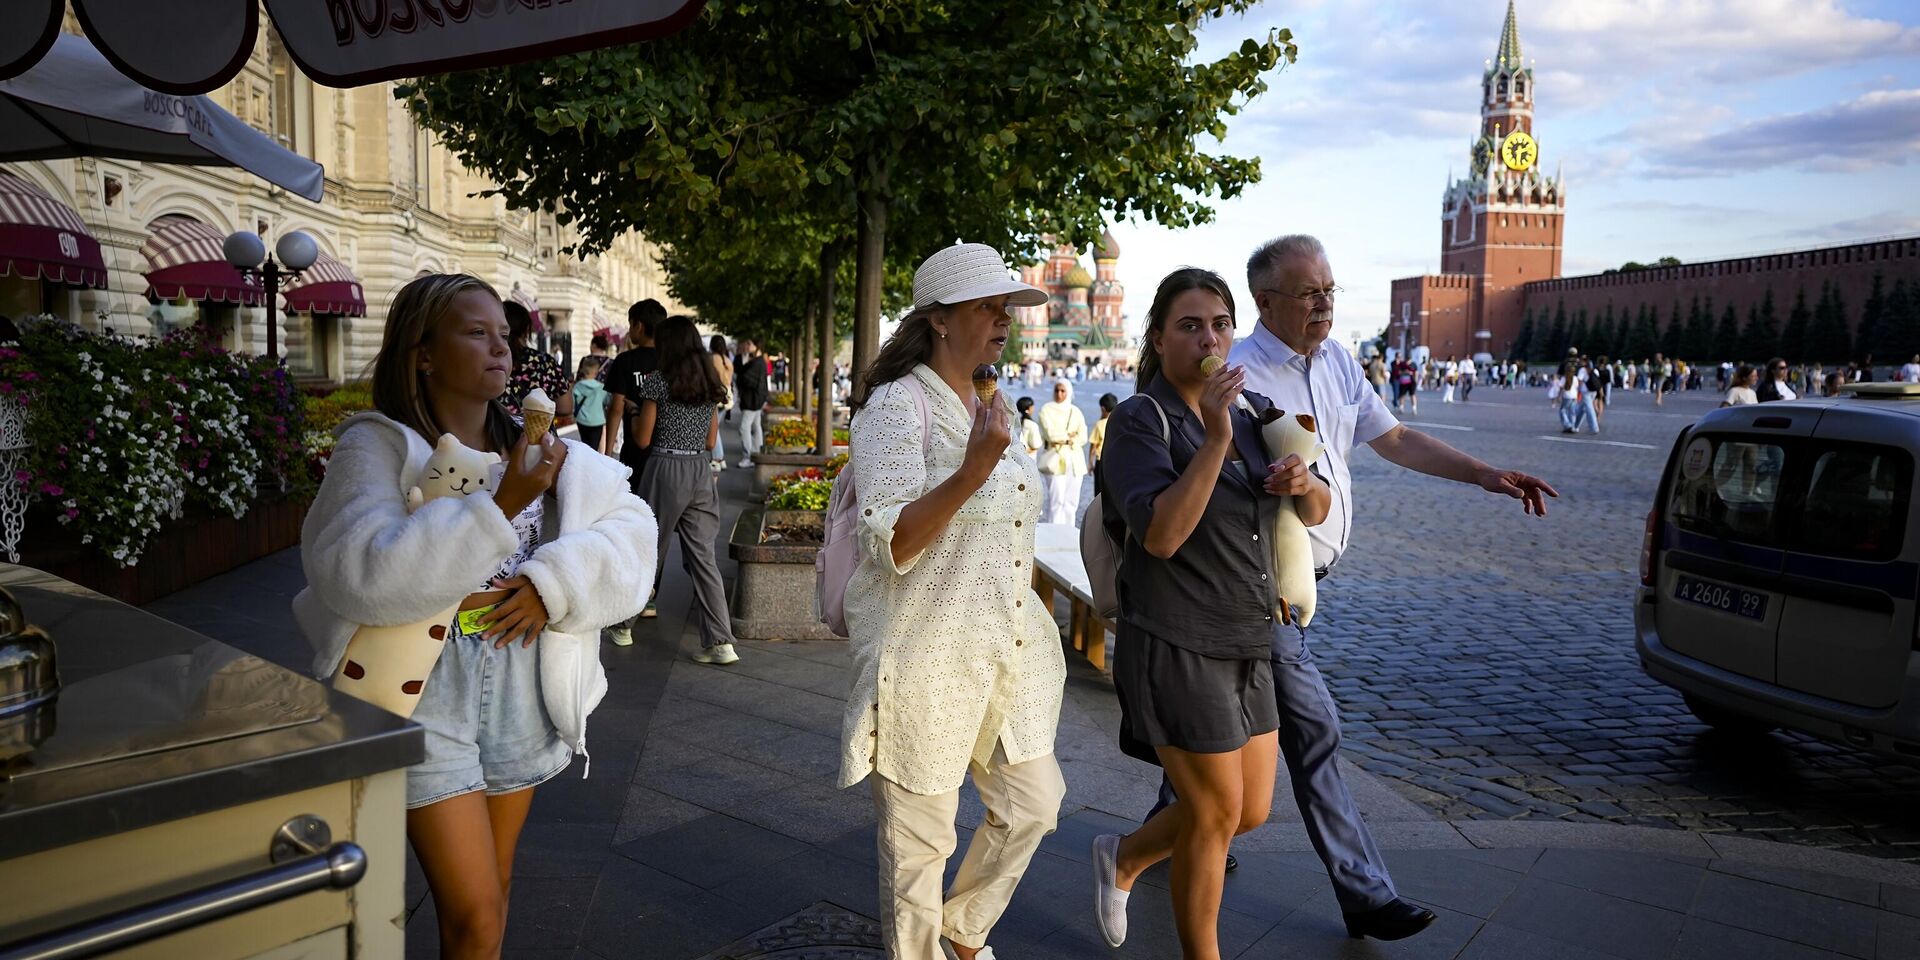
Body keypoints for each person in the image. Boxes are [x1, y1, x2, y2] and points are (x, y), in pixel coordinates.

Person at [293, 274, 655, 958]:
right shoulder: (379, 447)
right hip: (424, 686)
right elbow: (355, 570)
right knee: (474, 912)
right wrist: (500, 503)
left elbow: (634, 530)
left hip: (522, 676)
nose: (501, 349)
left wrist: (555, 581)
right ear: (422, 353)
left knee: (496, 886)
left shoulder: (548, 449)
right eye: (475, 332)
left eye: (505, 335)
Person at [1209, 234, 1555, 941]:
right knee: (1314, 731)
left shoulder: (1336, 360)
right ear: (1265, 302)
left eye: (1330, 289)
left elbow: (1393, 439)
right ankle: (1364, 892)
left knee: (1227, 715)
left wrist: (1484, 473)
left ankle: (1176, 827)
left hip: (1308, 585)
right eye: (1309, 293)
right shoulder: (1239, 377)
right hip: (1262, 584)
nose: (1325, 302)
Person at [839, 242, 1064, 960]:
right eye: (986, 308)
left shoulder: (988, 401)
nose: (1003, 321)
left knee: (1034, 805)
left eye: (1006, 309)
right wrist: (973, 469)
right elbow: (891, 540)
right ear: (938, 320)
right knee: (920, 851)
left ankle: (962, 933)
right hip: (924, 654)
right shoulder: (897, 409)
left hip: (1004, 650)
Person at [1093, 268, 1325, 958]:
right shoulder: (1141, 420)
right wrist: (1217, 437)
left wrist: (1305, 483)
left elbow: (1313, 512)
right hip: (1174, 638)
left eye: (1220, 323)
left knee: (1249, 811)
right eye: (1190, 325)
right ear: (1159, 339)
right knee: (1214, 811)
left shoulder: (1255, 411)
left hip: (1248, 633)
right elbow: (1161, 535)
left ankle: (1127, 856)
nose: (1210, 338)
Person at [627, 316, 738, 660]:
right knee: (703, 555)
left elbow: (642, 439)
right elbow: (710, 441)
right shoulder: (709, 384)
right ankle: (720, 642)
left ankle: (622, 623)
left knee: (648, 547)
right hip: (699, 472)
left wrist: (634, 415)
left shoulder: (658, 383)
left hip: (665, 467)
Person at [604, 300, 666, 485]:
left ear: (638, 325)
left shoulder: (625, 361)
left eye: (630, 324)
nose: (629, 330)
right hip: (664, 448)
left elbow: (616, 408)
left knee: (633, 503)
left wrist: (607, 454)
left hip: (634, 449)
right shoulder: (669, 360)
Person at [499, 300, 574, 420]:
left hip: (493, 434)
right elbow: (565, 408)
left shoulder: (489, 358)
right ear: (526, 330)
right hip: (539, 437)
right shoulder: (544, 362)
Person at [1036, 378, 1089, 524]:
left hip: (1074, 460)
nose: (1059, 394)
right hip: (1055, 459)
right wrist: (1069, 436)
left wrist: (1066, 438)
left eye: (1063, 391)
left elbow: (1083, 436)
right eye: (1057, 390)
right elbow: (1050, 434)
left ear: (1068, 392)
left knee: (1071, 501)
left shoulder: (1075, 411)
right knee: (1056, 500)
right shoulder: (1046, 409)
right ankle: (1055, 531)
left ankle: (1069, 531)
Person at [734, 337, 768, 468]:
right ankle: (756, 452)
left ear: (756, 346)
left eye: (750, 344)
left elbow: (745, 379)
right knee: (755, 425)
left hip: (752, 401)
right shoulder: (759, 362)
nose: (747, 346)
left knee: (744, 428)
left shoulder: (757, 363)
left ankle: (748, 456)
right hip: (756, 400)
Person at [571, 356, 611, 454]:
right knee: (594, 447)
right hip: (597, 421)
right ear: (595, 372)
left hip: (582, 420)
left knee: (585, 443)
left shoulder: (577, 386)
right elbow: (607, 401)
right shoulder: (601, 387)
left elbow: (573, 402)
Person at [709, 334, 734, 474]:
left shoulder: (714, 359)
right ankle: (720, 458)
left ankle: (717, 458)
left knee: (713, 428)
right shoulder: (727, 360)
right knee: (716, 427)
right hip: (727, 395)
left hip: (717, 395)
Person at [1090, 392, 1117, 497]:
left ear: (1102, 409)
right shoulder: (1119, 421)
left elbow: (1093, 446)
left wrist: (1090, 463)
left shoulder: (1099, 424)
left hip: (1101, 461)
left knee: (1099, 491)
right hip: (1114, 461)